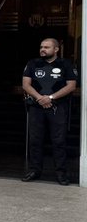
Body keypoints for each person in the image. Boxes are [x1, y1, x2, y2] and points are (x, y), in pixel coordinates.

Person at [22, 37, 79, 185]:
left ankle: (61, 174)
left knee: (59, 141)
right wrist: (40, 98)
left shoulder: (65, 64)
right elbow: (26, 84)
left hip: (58, 108)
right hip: (36, 107)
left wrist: (51, 98)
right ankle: (34, 171)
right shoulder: (33, 63)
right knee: (35, 140)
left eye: (47, 47)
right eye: (41, 47)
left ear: (56, 49)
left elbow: (71, 86)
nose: (43, 49)